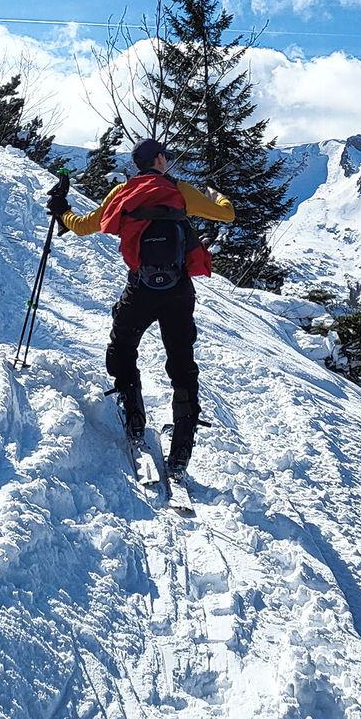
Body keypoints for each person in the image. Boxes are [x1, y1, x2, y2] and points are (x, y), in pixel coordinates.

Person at [48, 138, 234, 477]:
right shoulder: (180, 190)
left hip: (141, 288)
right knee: (181, 360)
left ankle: (133, 414)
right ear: (160, 159)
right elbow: (227, 214)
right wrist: (215, 195)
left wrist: (62, 210)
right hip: (178, 290)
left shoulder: (121, 194)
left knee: (122, 344)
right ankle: (181, 447)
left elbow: (83, 225)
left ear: (137, 164)